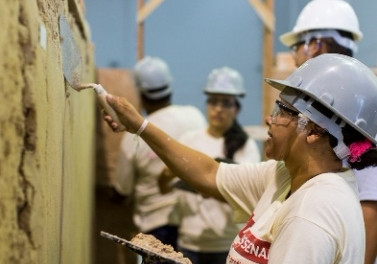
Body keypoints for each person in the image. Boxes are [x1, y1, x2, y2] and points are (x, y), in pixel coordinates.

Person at [104, 53, 377, 263]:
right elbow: (210, 173)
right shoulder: (284, 177)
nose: (269, 119)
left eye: (282, 110)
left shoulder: (312, 214)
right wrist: (139, 125)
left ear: (315, 130)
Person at [280, 1, 377, 263]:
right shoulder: (351, 97)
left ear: (316, 45)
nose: (295, 56)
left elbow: (370, 209)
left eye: (296, 46)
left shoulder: (353, 106)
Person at [159, 67, 261, 264]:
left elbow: (248, 199)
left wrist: (211, 187)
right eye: (213, 101)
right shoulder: (189, 140)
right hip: (189, 241)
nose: (218, 109)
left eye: (226, 103)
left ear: (236, 109)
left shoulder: (245, 148)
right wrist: (165, 175)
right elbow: (163, 189)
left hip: (226, 245)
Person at [112, 56, 206, 251]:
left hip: (155, 229)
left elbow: (122, 190)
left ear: (140, 93)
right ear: (169, 85)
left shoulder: (134, 135)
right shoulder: (194, 116)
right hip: (194, 223)